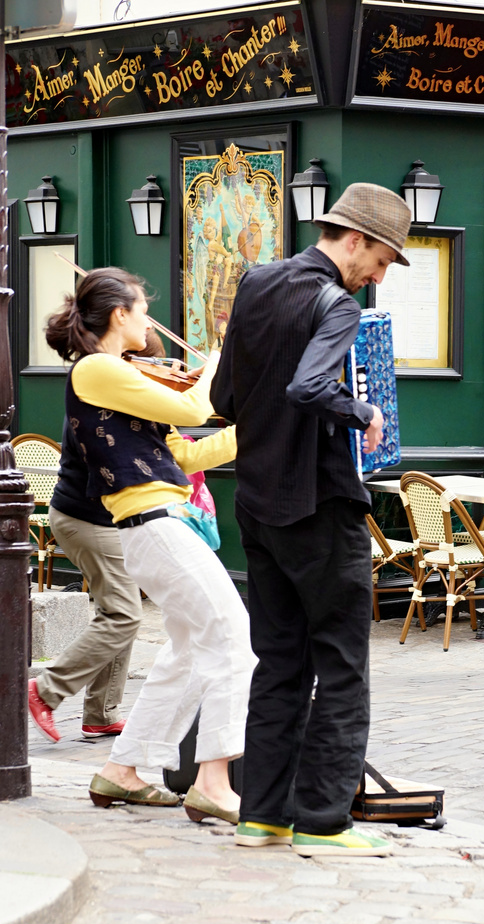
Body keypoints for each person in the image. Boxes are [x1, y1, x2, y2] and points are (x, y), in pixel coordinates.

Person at [211, 183, 411, 856]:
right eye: (380, 260)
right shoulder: (338, 306)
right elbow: (309, 388)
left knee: (278, 663)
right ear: (352, 238)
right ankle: (324, 821)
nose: (378, 277)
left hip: (258, 507)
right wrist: (366, 413)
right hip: (321, 509)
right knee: (343, 664)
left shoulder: (255, 283)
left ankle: (262, 815)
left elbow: (223, 397)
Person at [45, 266, 256, 823]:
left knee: (185, 654)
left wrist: (259, 428)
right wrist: (217, 360)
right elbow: (192, 409)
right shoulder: (96, 369)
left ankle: (123, 770)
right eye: (142, 309)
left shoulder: (123, 378)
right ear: (120, 314)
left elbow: (183, 455)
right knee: (234, 635)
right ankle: (214, 779)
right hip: (154, 525)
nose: (147, 321)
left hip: (162, 523)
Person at [27, 329, 167, 744]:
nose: (155, 378)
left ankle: (101, 714)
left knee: (117, 613)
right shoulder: (104, 399)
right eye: (148, 368)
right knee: (124, 614)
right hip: (86, 520)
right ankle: (45, 690)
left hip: (104, 520)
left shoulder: (127, 401)